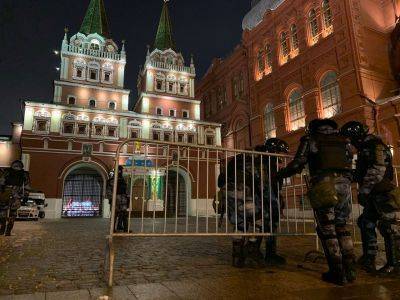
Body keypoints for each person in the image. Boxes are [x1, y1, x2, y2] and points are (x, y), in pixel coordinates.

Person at [277, 119, 356, 285]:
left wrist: (280, 174)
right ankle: (350, 270)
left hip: (324, 185)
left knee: (328, 229)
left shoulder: (311, 140)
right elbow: (349, 161)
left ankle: (337, 272)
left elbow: (298, 163)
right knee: (342, 226)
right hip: (345, 186)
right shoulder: (343, 140)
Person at [341, 121, 400, 275]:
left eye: (349, 140)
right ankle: (369, 257)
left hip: (383, 193)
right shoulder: (366, 148)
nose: (349, 144)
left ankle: (395, 264)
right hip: (375, 193)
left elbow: (377, 170)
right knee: (366, 222)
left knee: (390, 228)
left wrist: (364, 191)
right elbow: (363, 171)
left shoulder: (374, 146)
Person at [258, 138, 289, 266]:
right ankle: (269, 254)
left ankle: (255, 251)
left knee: (267, 225)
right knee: (269, 225)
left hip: (270, 195)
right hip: (268, 197)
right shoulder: (268, 161)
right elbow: (270, 181)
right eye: (281, 152)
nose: (283, 156)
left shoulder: (269, 161)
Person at [0, 160, 31, 236]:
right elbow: (1, 181)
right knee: (4, 214)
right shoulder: (8, 172)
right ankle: (4, 229)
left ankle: (6, 230)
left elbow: (26, 186)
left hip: (14, 195)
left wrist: (26, 196)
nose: (16, 168)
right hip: (7, 194)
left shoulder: (24, 174)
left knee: (10, 214)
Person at [107, 166, 129, 232]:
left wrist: (127, 198)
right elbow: (109, 190)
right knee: (114, 215)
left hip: (123, 200)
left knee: (124, 215)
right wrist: (111, 199)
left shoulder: (123, 180)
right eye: (120, 170)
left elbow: (126, 189)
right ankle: (112, 229)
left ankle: (125, 229)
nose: (121, 171)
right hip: (115, 200)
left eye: (121, 170)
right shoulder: (112, 180)